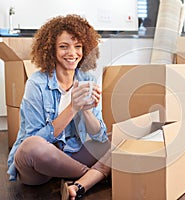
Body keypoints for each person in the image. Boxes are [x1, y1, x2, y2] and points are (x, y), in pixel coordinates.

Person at [7, 14, 111, 200]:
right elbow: (33, 139)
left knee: (121, 136)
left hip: (72, 154)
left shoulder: (88, 80)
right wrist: (73, 107)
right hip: (41, 165)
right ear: (51, 50)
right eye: (64, 46)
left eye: (78, 46)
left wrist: (86, 109)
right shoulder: (37, 83)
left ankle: (79, 185)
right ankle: (93, 176)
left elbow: (98, 135)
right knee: (31, 147)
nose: (72, 53)